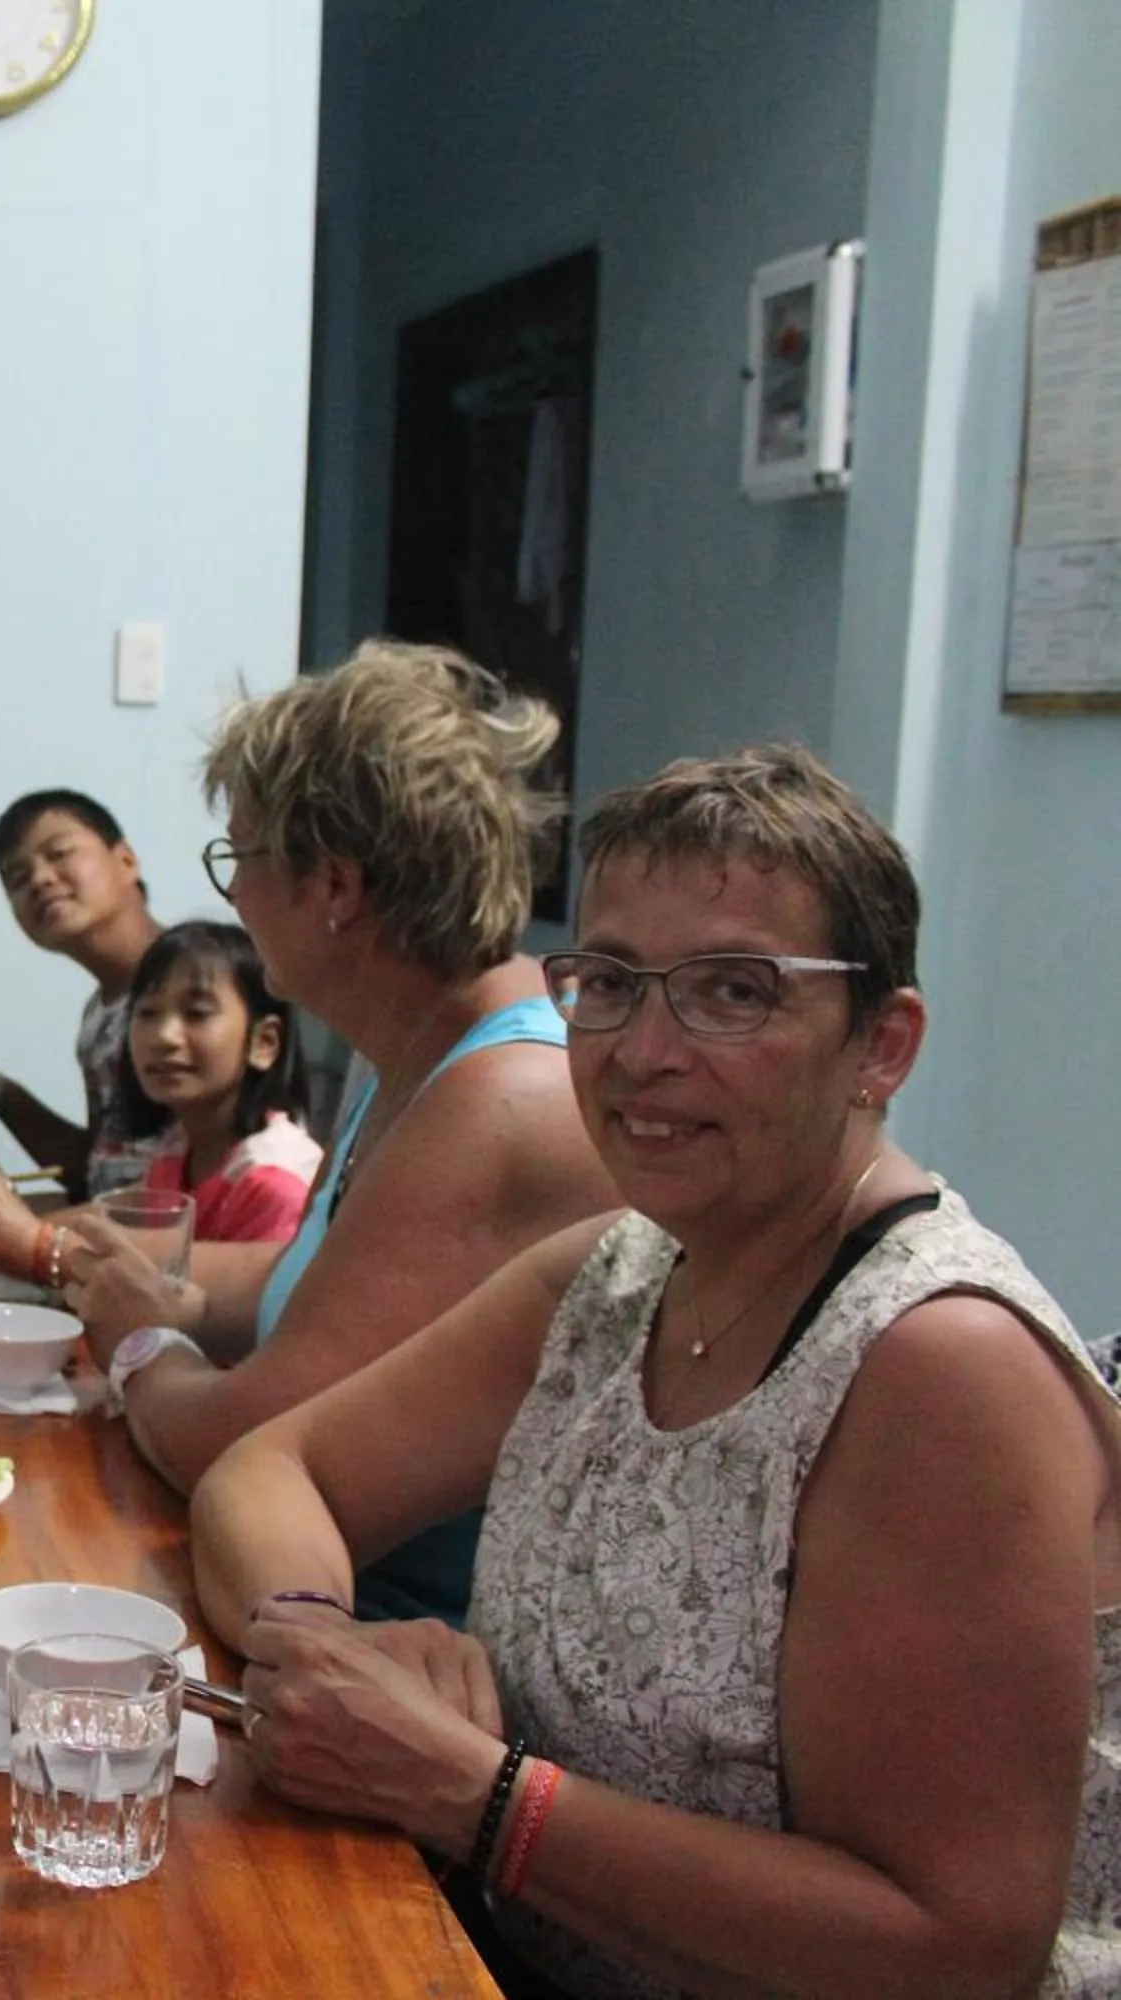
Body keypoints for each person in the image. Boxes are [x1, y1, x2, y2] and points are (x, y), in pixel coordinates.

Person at [189, 744, 1120, 1998]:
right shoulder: (620, 1272)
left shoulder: (937, 1361)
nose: (642, 1050)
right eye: (612, 981)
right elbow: (272, 1464)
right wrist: (318, 1639)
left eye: (733, 991)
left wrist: (481, 1797)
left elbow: (954, 1942)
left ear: (882, 1045)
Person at [0, 642, 612, 1624]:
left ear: (334, 887)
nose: (232, 896)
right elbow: (304, 1279)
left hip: (395, 1649)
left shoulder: (502, 1097)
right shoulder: (424, 1043)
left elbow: (237, 1438)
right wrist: (45, 1241)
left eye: (239, 858)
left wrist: (140, 1339)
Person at [0, 788, 164, 1195]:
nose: (40, 879)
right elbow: (98, 1171)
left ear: (127, 861)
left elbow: (212, 1185)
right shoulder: (98, 1016)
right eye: (17, 878)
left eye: (59, 853)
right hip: (114, 1230)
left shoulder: (196, 985)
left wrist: (34, 1234)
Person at [114, 920, 321, 1246]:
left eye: (197, 1013)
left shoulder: (274, 1182)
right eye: (148, 1013)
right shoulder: (176, 1151)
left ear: (263, 1043)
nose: (164, 1037)